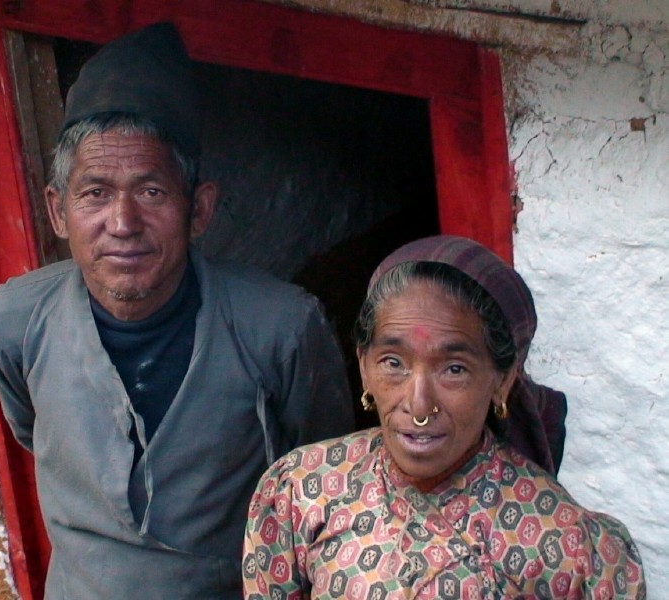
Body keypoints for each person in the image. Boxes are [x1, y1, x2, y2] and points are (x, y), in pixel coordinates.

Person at [0, 22, 354, 599]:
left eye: (151, 192)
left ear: (198, 209)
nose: (122, 223)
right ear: (57, 212)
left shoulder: (280, 327)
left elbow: (328, 481)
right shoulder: (13, 322)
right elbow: (33, 429)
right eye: (94, 193)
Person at [243, 235, 645, 599]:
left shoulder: (572, 549)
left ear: (502, 381)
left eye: (454, 369)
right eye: (393, 362)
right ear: (364, 366)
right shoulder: (302, 492)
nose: (419, 406)